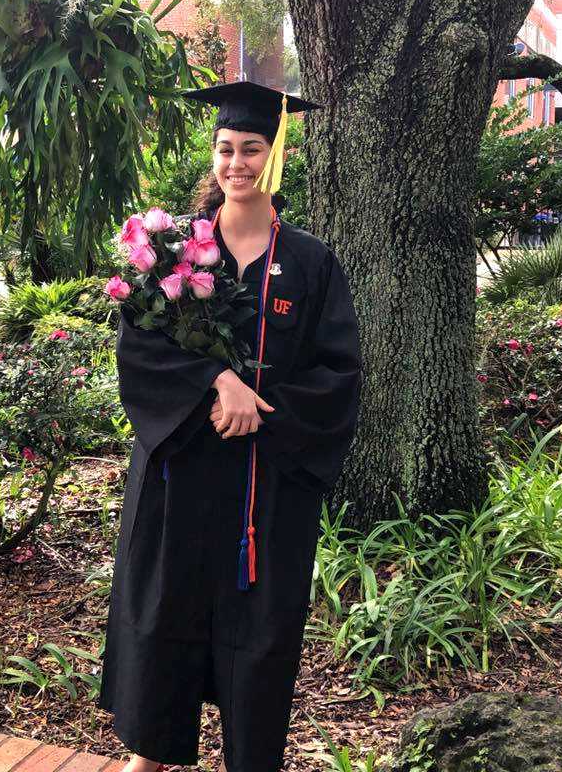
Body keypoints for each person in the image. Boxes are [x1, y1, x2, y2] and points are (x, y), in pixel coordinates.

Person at [98, 81, 363, 772]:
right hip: (181, 473)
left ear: (275, 157)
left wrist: (257, 407)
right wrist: (218, 383)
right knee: (164, 616)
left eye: (251, 148)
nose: (236, 162)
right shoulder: (175, 250)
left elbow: (338, 373)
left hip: (265, 485)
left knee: (260, 633)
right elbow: (141, 349)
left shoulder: (310, 262)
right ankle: (148, 757)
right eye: (225, 149)